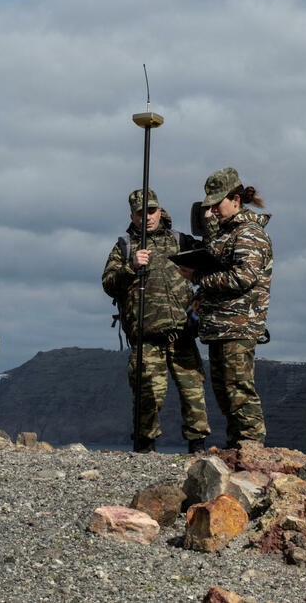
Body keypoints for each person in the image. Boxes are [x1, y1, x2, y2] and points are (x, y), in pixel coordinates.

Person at [102, 188, 211, 453]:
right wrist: (131, 267)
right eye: (141, 213)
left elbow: (210, 263)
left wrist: (200, 300)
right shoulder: (125, 246)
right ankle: (144, 449)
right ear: (133, 216)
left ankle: (198, 449)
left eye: (152, 211)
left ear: (159, 211)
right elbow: (109, 283)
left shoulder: (180, 241)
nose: (147, 217)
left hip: (182, 333)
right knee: (147, 395)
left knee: (193, 393)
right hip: (146, 338)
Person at [178, 167, 271, 448]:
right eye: (209, 206)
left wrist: (198, 277)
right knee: (225, 392)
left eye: (217, 204)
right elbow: (222, 265)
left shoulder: (249, 234)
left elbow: (244, 276)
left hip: (239, 325)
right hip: (220, 324)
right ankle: (238, 449)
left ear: (235, 199)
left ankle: (253, 450)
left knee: (238, 391)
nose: (213, 211)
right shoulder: (227, 234)